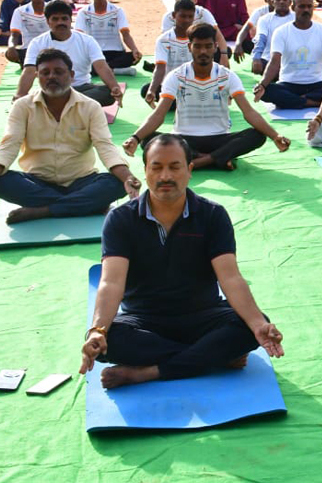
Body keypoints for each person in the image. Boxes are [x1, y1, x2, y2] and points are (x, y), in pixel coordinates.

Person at [79, 134, 283, 389]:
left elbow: (230, 277)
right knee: (110, 341)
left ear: (189, 170)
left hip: (202, 315)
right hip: (145, 320)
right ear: (145, 171)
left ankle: (150, 372)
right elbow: (111, 282)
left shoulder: (212, 215)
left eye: (175, 167)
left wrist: (257, 324)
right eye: (157, 167)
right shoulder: (121, 219)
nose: (166, 176)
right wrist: (98, 330)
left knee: (249, 326)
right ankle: (212, 358)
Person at [0, 49, 141, 224]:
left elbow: (105, 147)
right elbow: (9, 145)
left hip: (81, 181)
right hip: (37, 183)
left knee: (116, 183)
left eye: (58, 72)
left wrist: (127, 177)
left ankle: (43, 211)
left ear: (71, 75)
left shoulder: (90, 107)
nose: (51, 77)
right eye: (45, 73)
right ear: (37, 76)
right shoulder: (22, 106)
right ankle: (83, 205)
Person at [125, 24, 288, 170]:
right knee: (147, 139)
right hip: (184, 140)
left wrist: (275, 136)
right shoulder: (176, 76)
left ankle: (196, 162)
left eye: (208, 46)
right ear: (189, 47)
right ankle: (218, 159)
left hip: (219, 138)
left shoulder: (227, 76)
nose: (203, 51)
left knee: (257, 135)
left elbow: (249, 112)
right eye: (198, 46)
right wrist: (135, 137)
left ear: (216, 47)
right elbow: (159, 114)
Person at [16, 0, 123, 108]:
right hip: (52, 90)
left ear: (70, 20)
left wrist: (114, 87)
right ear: (48, 22)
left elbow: (101, 66)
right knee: (34, 99)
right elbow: (29, 71)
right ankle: (74, 107)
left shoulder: (87, 40)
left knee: (107, 92)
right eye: (55, 19)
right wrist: (20, 95)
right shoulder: (37, 43)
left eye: (64, 18)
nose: (60, 23)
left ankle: (62, 107)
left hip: (82, 89)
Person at [254, 0, 322, 109]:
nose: (306, 10)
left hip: (316, 84)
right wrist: (262, 85)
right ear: (293, 8)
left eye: (309, 6)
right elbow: (274, 62)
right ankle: (310, 102)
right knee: (267, 91)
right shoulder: (281, 32)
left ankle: (294, 101)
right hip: (288, 84)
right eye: (302, 6)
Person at [75, 0, 142, 74]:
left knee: (132, 57)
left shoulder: (117, 11)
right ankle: (115, 70)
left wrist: (134, 49)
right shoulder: (83, 13)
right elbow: (79, 36)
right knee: (80, 62)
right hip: (94, 53)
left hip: (115, 52)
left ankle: (101, 70)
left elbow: (125, 34)